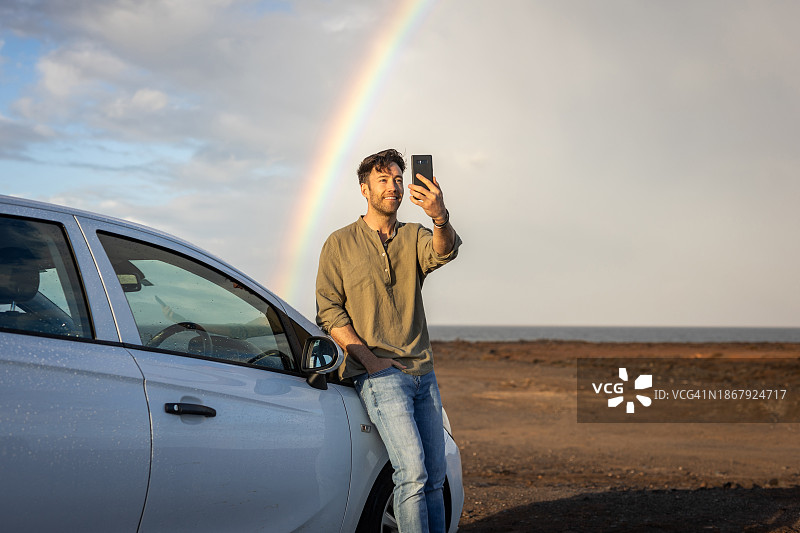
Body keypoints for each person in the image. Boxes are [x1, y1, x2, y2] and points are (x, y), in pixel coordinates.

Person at [316, 148, 461, 532]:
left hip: (422, 372)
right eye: (383, 179)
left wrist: (439, 215)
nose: (393, 186)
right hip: (379, 374)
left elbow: (444, 251)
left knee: (434, 476)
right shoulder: (339, 243)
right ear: (364, 189)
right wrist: (371, 361)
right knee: (411, 472)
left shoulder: (414, 235)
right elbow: (329, 311)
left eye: (398, 179)